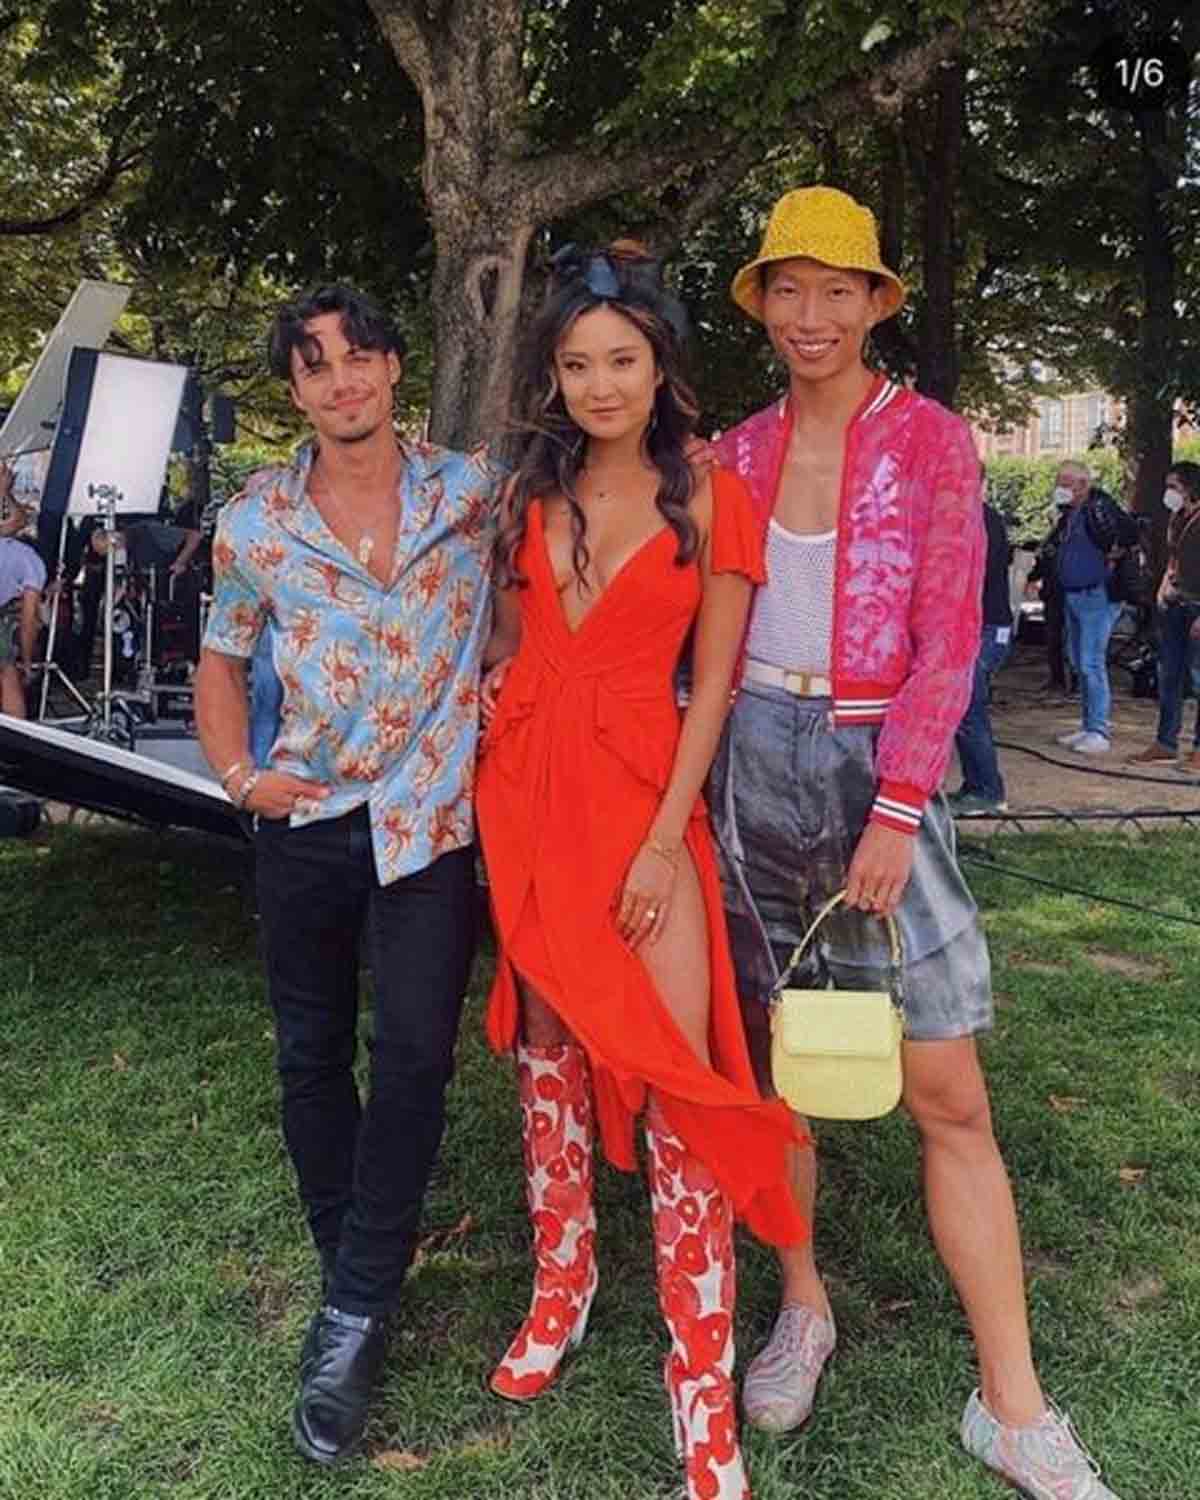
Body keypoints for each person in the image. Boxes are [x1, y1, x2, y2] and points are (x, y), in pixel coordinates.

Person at [708, 186, 1120, 1500]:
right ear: (764, 303)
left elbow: (954, 641)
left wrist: (897, 806)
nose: (812, 313)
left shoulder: (935, 445)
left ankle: (1012, 1401)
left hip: (880, 756)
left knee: (948, 1088)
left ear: (877, 302)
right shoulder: (730, 454)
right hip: (751, 762)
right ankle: (805, 1302)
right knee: (777, 1071)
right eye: (790, 287)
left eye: (840, 289)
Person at [476, 242, 805, 1500]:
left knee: (680, 1077)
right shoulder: (529, 495)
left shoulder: (716, 495)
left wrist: (667, 840)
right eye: (576, 365)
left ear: (662, 367)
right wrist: (504, 671)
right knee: (549, 1044)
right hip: (526, 790)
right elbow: (512, 637)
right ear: (553, 378)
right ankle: (564, 1286)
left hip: (642, 796)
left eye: (621, 361)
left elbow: (713, 679)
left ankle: (701, 1392)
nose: (600, 385)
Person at [194, 284, 497, 1467]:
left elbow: (532, 604)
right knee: (310, 1051)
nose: (342, 379)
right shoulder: (254, 521)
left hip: (429, 824)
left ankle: (360, 1305)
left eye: (360, 354)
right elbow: (222, 660)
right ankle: (354, 1270)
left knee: (417, 1051)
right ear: (297, 390)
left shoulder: (468, 497)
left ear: (391, 367)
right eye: (315, 365)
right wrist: (236, 774)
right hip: (308, 820)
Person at [1053, 460, 1139, 755]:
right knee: (1078, 661)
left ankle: (1099, 729)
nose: (1059, 487)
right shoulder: (1069, 514)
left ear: (1081, 485)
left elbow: (1127, 536)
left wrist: (1115, 555)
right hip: (1074, 594)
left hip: (1097, 596)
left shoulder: (1099, 508)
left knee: (1091, 663)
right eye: (1058, 481)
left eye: (1064, 482)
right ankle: (1088, 724)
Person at [1127, 461, 1200, 771]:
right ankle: (1165, 742)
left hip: (1197, 607)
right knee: (1169, 675)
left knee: (1198, 677)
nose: (1169, 493)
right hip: (1174, 605)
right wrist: (1163, 587)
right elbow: (1174, 557)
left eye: (1175, 486)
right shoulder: (1177, 518)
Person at [949, 496, 1013, 815]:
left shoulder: (981, 520)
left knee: (968, 706)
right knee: (964, 707)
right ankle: (977, 784)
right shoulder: (970, 517)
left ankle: (988, 789)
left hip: (987, 626)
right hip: (974, 626)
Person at [1026, 493, 1074, 695]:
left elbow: (1048, 558)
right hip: (1055, 590)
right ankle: (1059, 679)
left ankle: (1065, 680)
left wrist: (1033, 576)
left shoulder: (1067, 529)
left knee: (1065, 638)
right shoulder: (1058, 529)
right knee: (1056, 637)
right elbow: (1045, 558)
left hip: (1063, 590)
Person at [0, 535, 45, 717]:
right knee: (7, 672)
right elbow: (29, 621)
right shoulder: (34, 564)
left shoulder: (7, 546)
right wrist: (27, 663)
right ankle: (16, 740)